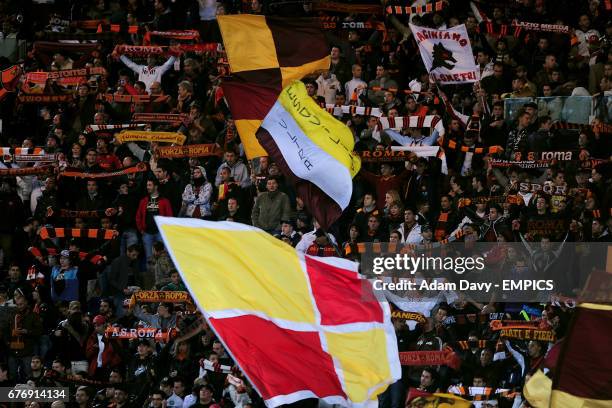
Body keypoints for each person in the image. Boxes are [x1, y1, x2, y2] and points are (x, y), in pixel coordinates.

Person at [136, 179, 173, 260]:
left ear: (156, 187)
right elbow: (138, 216)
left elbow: (169, 216)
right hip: (147, 233)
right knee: (149, 258)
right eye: (147, 185)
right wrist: (141, 230)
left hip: (161, 233)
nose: (147, 187)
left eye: (150, 185)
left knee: (164, 257)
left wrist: (166, 230)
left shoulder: (165, 201)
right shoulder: (143, 201)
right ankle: (151, 273)